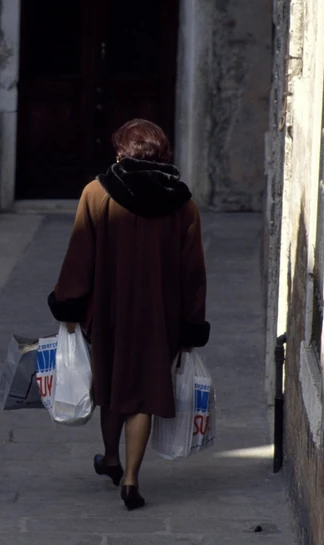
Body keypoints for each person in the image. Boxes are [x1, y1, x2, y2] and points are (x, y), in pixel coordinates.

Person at [48, 119, 210, 511]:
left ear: (121, 151)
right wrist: (191, 324)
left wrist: (69, 304)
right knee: (145, 392)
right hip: (161, 314)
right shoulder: (183, 204)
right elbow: (193, 271)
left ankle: (112, 458)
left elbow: (80, 254)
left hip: (108, 308)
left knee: (112, 386)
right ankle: (132, 479)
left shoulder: (96, 194)